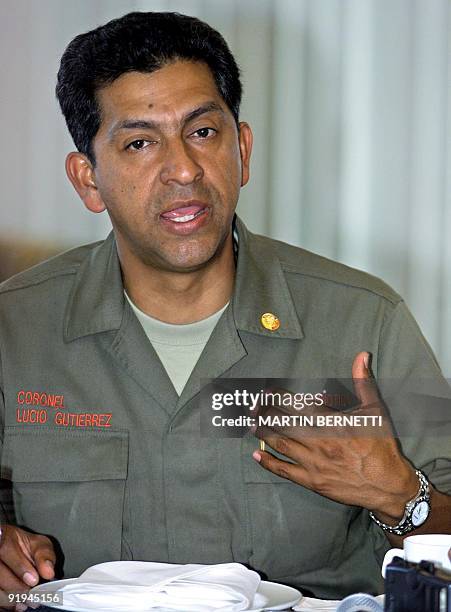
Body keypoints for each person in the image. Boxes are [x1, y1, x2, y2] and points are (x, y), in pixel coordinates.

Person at [0, 11, 450, 606]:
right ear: (88, 180)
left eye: (203, 132)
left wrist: (401, 494)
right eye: (139, 143)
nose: (183, 169)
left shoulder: (363, 321)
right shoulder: (14, 329)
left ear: (242, 149)